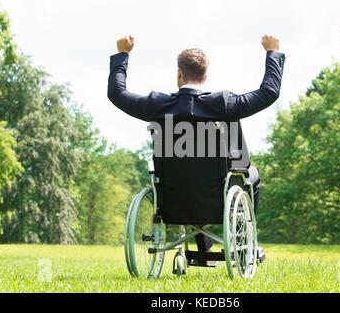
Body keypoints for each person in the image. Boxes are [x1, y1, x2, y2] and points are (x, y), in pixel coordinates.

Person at [108, 34, 285, 263]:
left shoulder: (156, 105)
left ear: (179, 73)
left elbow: (117, 93)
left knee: (191, 178)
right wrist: (272, 52)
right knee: (252, 175)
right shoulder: (223, 104)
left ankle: (202, 249)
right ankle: (242, 240)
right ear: (205, 76)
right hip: (217, 196)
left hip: (173, 199)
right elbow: (269, 92)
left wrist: (123, 54)